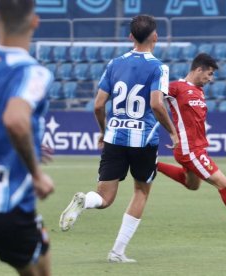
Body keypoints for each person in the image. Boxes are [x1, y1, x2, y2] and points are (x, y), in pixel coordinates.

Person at [59, 14, 179, 263]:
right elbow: (157, 104)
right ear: (155, 36)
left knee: (104, 198)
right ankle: (117, 252)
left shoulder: (115, 63)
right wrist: (173, 131)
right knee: (141, 192)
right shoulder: (159, 67)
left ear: (131, 37)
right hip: (143, 141)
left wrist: (104, 130)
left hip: (115, 137)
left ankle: (85, 200)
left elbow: (98, 105)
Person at [0, 0, 55, 275]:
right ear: (35, 21)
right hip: (5, 202)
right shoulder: (33, 72)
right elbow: (15, 120)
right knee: (38, 268)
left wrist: (29, 145)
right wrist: (36, 172)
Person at [158, 53, 226, 232]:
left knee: (192, 185)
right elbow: (154, 101)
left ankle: (153, 164)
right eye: (209, 74)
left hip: (196, 149)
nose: (211, 79)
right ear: (198, 69)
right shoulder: (176, 88)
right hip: (190, 151)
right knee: (223, 184)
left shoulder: (199, 91)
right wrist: (171, 131)